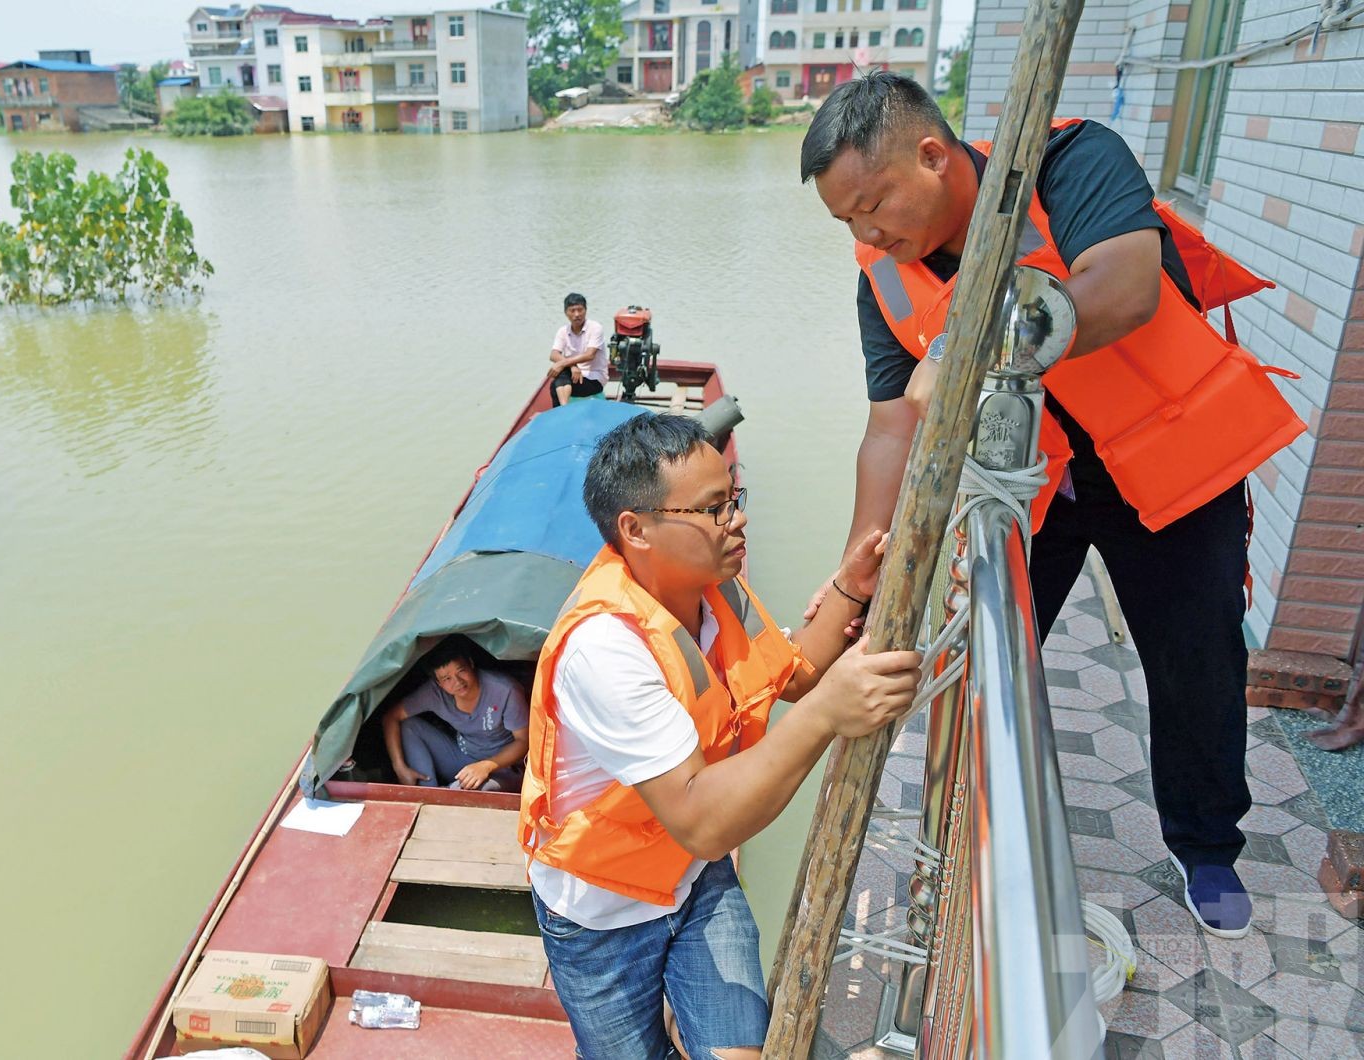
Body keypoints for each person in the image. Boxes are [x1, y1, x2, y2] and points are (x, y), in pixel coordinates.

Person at [800, 72, 1304, 939]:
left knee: (1197, 667)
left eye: (874, 204)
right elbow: (890, 429)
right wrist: (862, 567)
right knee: (987, 663)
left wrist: (966, 347)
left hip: (1170, 464)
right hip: (1034, 485)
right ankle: (975, 837)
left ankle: (1208, 844)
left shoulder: (1071, 162)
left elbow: (1123, 284)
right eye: (847, 220)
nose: (869, 233)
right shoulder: (881, 277)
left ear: (931, 154)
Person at [518, 413, 921, 1059]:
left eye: (734, 499)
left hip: (695, 880)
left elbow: (795, 676)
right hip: (602, 911)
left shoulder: (715, 591)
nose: (736, 520)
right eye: (712, 509)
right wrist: (825, 717)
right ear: (636, 529)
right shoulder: (606, 646)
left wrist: (850, 587)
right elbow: (704, 821)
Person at [383, 640, 529, 792]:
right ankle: (426, 791)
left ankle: (442, 795)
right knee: (409, 726)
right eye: (447, 678)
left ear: (471, 664)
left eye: (461, 671)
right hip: (462, 757)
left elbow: (523, 740)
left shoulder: (504, 690)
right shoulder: (434, 693)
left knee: (473, 791)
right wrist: (400, 767)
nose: (458, 682)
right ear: (438, 683)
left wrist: (486, 765)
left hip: (502, 768)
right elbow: (391, 717)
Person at [548, 293, 608, 406]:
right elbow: (553, 354)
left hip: (594, 379)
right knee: (561, 373)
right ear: (566, 313)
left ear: (586, 310)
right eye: (572, 311)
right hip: (573, 375)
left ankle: (562, 411)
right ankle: (564, 408)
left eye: (580, 310)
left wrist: (563, 363)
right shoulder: (563, 331)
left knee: (556, 383)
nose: (577, 314)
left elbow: (590, 355)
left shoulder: (595, 328)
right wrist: (572, 366)